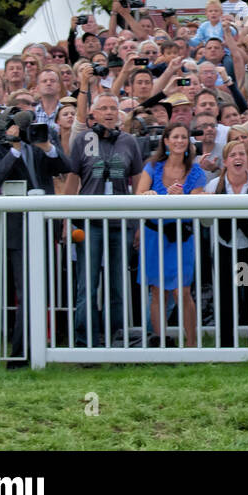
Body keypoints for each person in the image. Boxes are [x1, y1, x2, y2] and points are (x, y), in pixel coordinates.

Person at [0, 111, 70, 364]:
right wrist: (14, 149)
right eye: (21, 126)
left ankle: (32, 349)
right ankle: (21, 354)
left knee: (40, 290)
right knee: (26, 291)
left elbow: (66, 166)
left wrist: (48, 147)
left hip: (43, 226)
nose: (26, 130)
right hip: (17, 229)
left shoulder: (42, 140)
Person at [65, 87, 145, 347]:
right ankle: (85, 342)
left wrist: (138, 225)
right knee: (86, 286)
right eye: (104, 108)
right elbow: (72, 180)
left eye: (114, 108)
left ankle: (116, 340)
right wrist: (65, 218)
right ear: (94, 114)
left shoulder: (129, 142)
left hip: (121, 224)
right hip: (89, 224)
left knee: (118, 287)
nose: (109, 113)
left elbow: (137, 185)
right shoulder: (81, 141)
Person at [135, 123, 208, 346]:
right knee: (157, 292)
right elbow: (138, 194)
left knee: (182, 291)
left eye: (183, 137)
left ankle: (192, 343)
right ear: (166, 141)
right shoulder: (153, 167)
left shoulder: (196, 172)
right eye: (175, 137)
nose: (179, 141)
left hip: (181, 238)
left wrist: (178, 197)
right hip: (154, 236)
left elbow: (197, 201)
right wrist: (154, 194)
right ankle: (162, 342)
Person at [202, 140, 248, 348]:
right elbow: (206, 222)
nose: (238, 158)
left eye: (242, 154)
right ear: (225, 161)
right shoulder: (214, 185)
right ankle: (227, 346)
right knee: (228, 297)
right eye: (233, 155)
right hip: (226, 249)